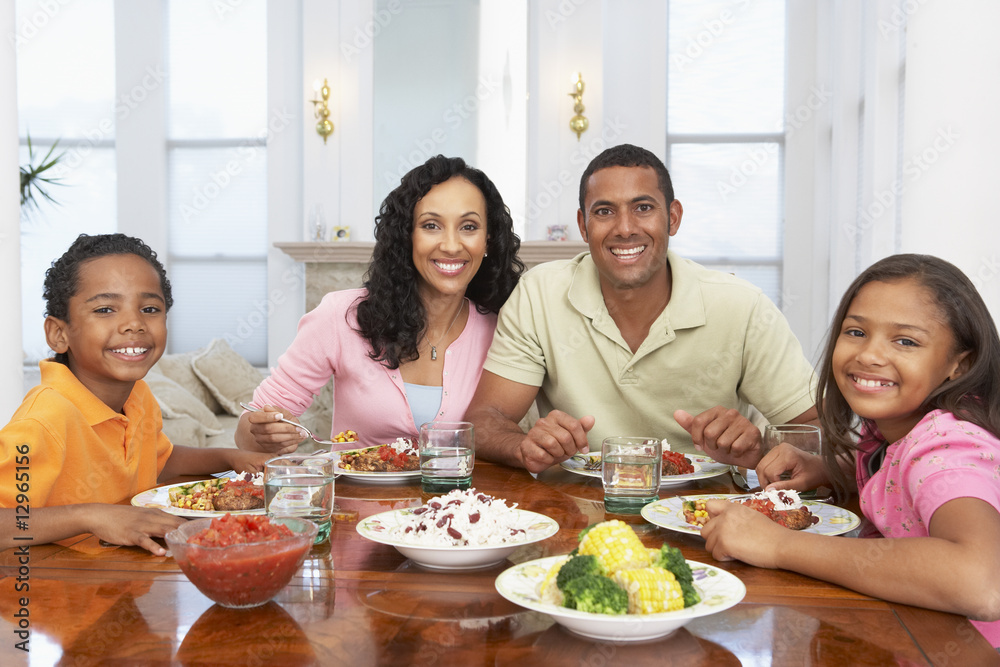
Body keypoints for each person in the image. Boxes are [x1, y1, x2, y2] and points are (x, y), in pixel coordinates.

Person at [702, 254, 1000, 648]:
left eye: (905, 341)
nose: (869, 355)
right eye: (856, 332)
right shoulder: (896, 430)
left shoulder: (948, 445)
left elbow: (982, 581)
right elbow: (902, 477)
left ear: (959, 365)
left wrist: (778, 546)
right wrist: (827, 467)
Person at [467, 144, 817, 473]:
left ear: (673, 217)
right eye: (604, 212)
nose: (625, 228)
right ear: (582, 226)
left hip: (706, 510)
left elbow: (824, 434)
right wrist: (524, 447)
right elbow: (484, 421)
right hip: (576, 504)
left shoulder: (743, 306)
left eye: (643, 208)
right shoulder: (539, 293)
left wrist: (760, 450)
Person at [0, 234, 271, 555]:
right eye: (104, 309)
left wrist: (229, 458)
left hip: (123, 582)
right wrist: (89, 514)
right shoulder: (44, 420)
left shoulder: (138, 396)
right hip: (59, 591)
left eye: (149, 308)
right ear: (59, 334)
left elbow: (161, 459)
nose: (133, 323)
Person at [237, 155, 524, 453]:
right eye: (430, 225)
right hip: (354, 498)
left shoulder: (505, 330)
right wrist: (265, 431)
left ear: (488, 239)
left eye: (468, 226)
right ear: (406, 235)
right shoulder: (340, 316)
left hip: (467, 500)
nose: (451, 245)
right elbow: (248, 427)